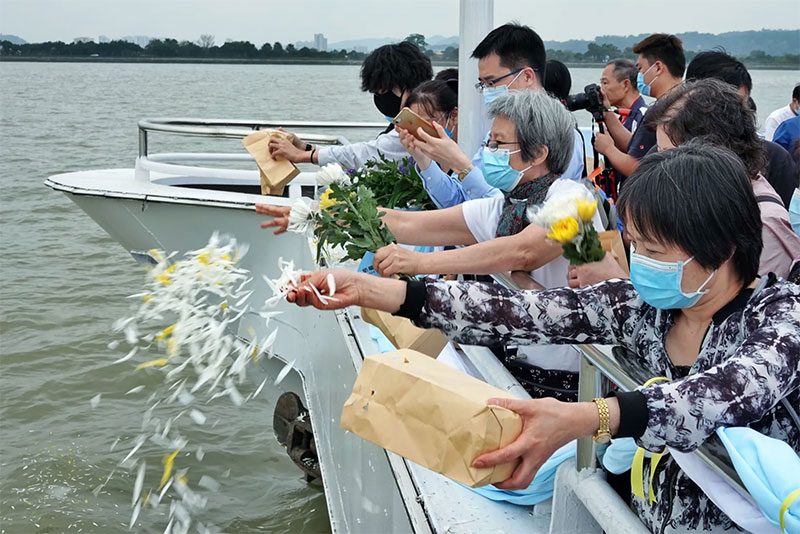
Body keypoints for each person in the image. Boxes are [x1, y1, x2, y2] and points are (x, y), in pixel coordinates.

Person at [287, 143, 800, 533]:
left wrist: (584, 418)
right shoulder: (644, 307)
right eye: (635, 245)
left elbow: (716, 396)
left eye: (656, 251)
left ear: (723, 248)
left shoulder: (780, 319)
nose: (639, 262)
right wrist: (374, 291)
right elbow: (517, 312)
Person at [261, 90, 597, 399]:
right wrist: (315, 215)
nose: (488, 152)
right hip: (511, 361)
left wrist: (418, 263)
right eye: (488, 142)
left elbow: (523, 250)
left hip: (566, 380)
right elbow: (406, 224)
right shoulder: (504, 207)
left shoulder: (573, 200)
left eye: (498, 144)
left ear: (538, 153)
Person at [571, 79, 800, 287]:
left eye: (667, 155)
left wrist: (617, 284)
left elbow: (736, 314)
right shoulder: (700, 201)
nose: (658, 166)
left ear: (710, 152)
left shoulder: (761, 224)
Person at [397, 23, 586, 210]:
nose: (487, 91)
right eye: (483, 85)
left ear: (527, 76)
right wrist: (423, 159)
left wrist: (459, 163)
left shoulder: (562, 134)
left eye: (492, 82)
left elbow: (517, 209)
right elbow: (460, 200)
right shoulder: (496, 132)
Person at [267, 41, 432, 169]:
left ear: (408, 86)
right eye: (376, 94)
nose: (381, 100)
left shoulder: (423, 127)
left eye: (384, 92)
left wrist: (302, 156)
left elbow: (370, 154)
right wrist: (305, 147)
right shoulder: (402, 125)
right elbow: (364, 155)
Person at [685, 50, 799, 207]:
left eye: (739, 105)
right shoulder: (666, 152)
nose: (732, 115)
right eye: (721, 106)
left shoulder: (773, 159)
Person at [592, 34, 684, 181]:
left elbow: (638, 167)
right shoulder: (690, 104)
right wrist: (607, 112)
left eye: (641, 69)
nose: (639, 76)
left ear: (658, 68)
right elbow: (639, 147)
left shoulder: (660, 112)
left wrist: (608, 149)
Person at [598, 58, 647, 153]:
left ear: (625, 85)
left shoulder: (643, 116)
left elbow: (637, 153)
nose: (601, 89)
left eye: (605, 83)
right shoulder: (621, 119)